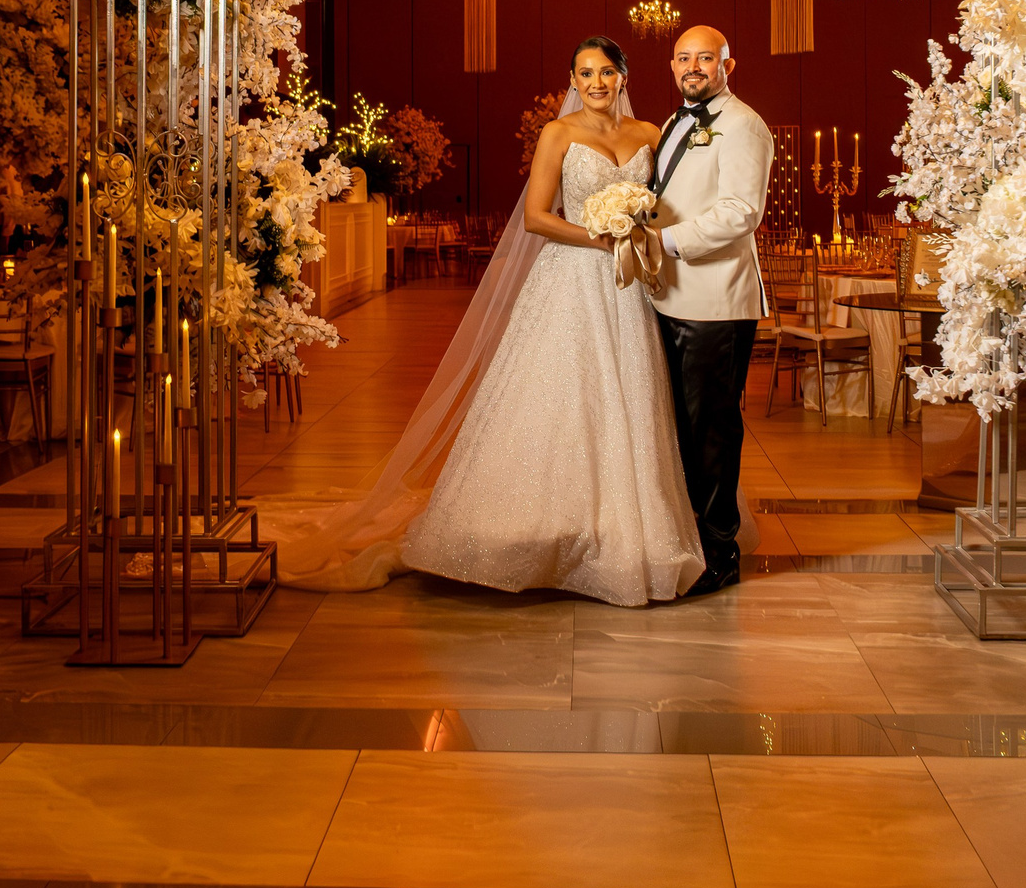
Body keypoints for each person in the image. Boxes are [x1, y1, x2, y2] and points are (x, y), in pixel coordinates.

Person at [272, 34, 749, 605]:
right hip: (572, 278)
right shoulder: (558, 134)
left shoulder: (653, 133)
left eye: (606, 72)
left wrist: (642, 232)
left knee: (633, 399)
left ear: (624, 76)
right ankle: (544, 528)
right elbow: (536, 218)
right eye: (585, 73)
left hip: (633, 286)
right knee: (562, 397)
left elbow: (678, 200)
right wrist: (601, 236)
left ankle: (623, 528)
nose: (596, 83)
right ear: (572, 81)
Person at [640, 25, 776, 597]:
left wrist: (664, 242)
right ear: (672, 66)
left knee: (712, 431)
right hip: (670, 294)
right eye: (683, 58)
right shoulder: (674, 121)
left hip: (716, 302)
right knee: (681, 429)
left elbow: (741, 211)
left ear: (728, 65)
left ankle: (720, 557)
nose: (692, 67)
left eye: (705, 58)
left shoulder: (743, 124)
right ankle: (691, 544)